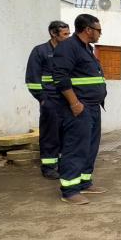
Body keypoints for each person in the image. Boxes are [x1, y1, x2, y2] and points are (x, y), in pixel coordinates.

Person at [52, 13, 107, 205]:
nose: (100, 33)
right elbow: (60, 78)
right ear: (88, 30)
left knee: (90, 147)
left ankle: (84, 182)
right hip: (78, 108)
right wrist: (75, 104)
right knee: (75, 148)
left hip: (92, 107)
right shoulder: (68, 47)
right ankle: (69, 190)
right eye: (98, 30)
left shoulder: (86, 48)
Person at [25, 21, 71, 179]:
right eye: (65, 34)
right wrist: (42, 99)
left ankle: (62, 164)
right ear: (53, 33)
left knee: (66, 134)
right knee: (50, 134)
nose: (68, 37)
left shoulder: (68, 51)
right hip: (50, 100)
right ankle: (49, 167)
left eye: (69, 34)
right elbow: (32, 78)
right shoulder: (40, 51)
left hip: (67, 99)